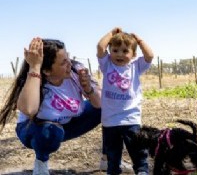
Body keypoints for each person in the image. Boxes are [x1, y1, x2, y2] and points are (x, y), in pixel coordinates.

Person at [0, 38, 102, 175]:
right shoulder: (35, 80)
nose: (69, 64)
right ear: (47, 71)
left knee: (109, 107)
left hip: (65, 127)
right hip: (35, 131)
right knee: (50, 131)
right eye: (63, 62)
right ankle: (41, 164)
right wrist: (35, 67)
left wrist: (88, 88)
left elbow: (100, 104)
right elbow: (29, 109)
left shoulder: (75, 72)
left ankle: (108, 158)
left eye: (68, 58)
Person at [97, 27, 154, 175]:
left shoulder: (136, 66)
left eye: (125, 51)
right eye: (115, 50)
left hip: (131, 118)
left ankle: (142, 171)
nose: (119, 54)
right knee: (112, 154)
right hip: (110, 120)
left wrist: (139, 41)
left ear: (134, 54)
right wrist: (111, 33)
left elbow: (150, 55)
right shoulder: (107, 64)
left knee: (138, 150)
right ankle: (113, 171)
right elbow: (100, 47)